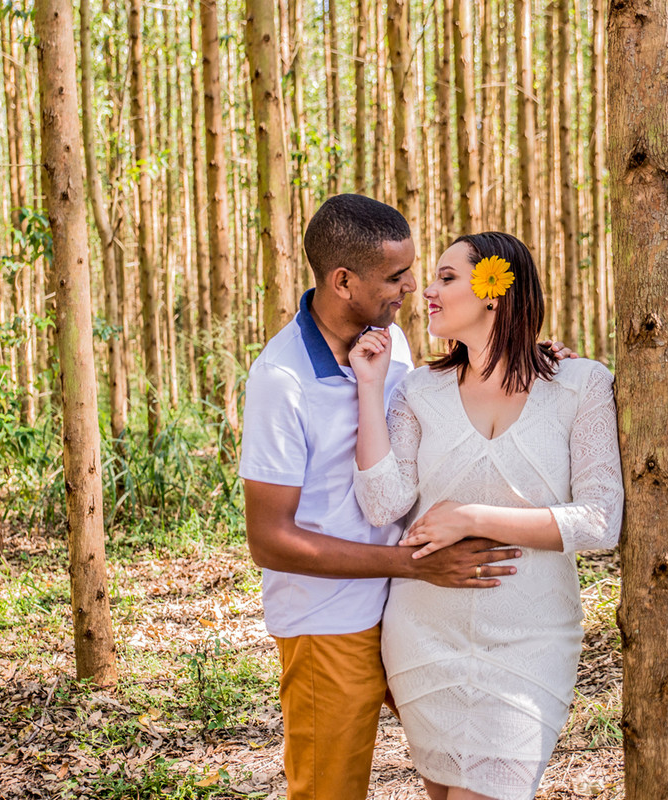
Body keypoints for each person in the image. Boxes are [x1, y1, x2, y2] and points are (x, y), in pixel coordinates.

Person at [239, 196, 572, 800]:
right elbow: (270, 541)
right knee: (329, 790)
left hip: (409, 612)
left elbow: (430, 426)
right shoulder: (279, 381)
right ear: (343, 281)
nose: (412, 289)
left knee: (453, 774)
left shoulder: (386, 342)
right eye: (396, 277)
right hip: (330, 621)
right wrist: (415, 564)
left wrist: (532, 362)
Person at [349, 231, 623, 800]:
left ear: (494, 292)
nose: (426, 291)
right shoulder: (417, 391)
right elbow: (382, 502)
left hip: (531, 638)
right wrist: (370, 389)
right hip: (424, 635)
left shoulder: (581, 384)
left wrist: (472, 516)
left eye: (447, 278)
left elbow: (600, 522)